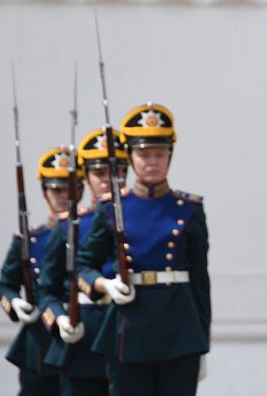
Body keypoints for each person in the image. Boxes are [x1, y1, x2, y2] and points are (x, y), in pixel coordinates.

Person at [76, 103, 210, 396]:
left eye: (159, 154)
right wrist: (105, 285)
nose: (152, 161)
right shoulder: (112, 209)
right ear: (130, 157)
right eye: (144, 154)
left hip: (179, 330)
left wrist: (203, 341)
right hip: (128, 329)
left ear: (169, 156)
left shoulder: (188, 210)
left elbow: (200, 280)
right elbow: (83, 265)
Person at [38, 128, 129, 395]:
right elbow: (47, 289)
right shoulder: (69, 225)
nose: (108, 180)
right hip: (84, 338)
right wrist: (58, 319)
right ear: (86, 179)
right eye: (99, 173)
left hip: (129, 336)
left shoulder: (139, 216)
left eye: (116, 171)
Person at [0, 146, 84, 396]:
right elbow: (5, 284)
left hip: (82, 336)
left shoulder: (91, 234)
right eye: (57, 190)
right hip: (41, 341)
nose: (64, 196)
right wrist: (15, 304)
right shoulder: (30, 239)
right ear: (45, 192)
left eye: (71, 189)